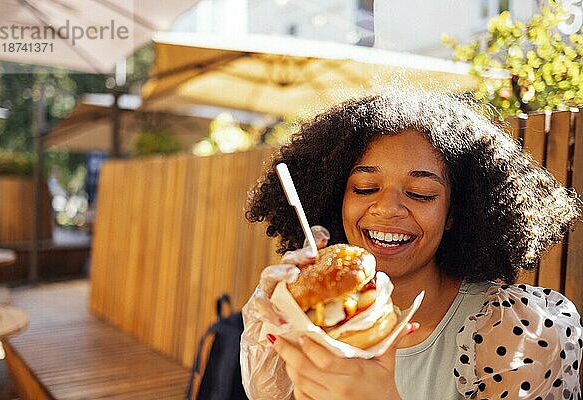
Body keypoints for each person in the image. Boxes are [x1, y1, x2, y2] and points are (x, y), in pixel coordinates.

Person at [239, 87, 583, 400]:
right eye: (364, 188)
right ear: (335, 199)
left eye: (420, 194)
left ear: (454, 212)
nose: (388, 208)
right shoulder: (308, 320)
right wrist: (276, 324)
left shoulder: (518, 332)